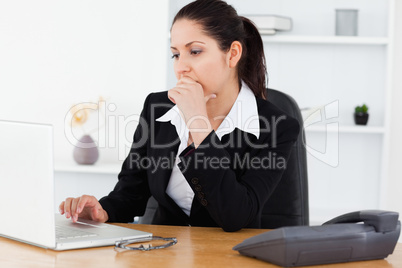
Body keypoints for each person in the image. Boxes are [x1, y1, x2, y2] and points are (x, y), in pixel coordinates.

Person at [60, 0, 300, 232]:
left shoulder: (276, 127)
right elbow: (130, 193)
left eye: (195, 51)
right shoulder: (158, 107)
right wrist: (103, 210)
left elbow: (235, 216)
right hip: (162, 251)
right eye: (176, 54)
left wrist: (198, 122)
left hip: (228, 256)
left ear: (233, 54)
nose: (180, 67)